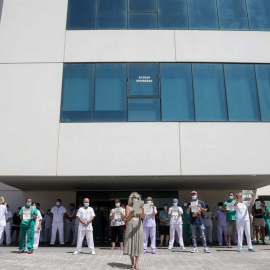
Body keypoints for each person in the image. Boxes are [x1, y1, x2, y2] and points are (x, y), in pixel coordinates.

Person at [123, 192, 144, 270]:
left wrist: (142, 209)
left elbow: (142, 217)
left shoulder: (140, 206)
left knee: (137, 243)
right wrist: (131, 213)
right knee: (130, 244)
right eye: (134, 198)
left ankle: (137, 263)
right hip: (130, 226)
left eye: (137, 198)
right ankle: (132, 263)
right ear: (131, 199)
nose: (135, 199)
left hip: (138, 226)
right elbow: (127, 219)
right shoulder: (128, 206)